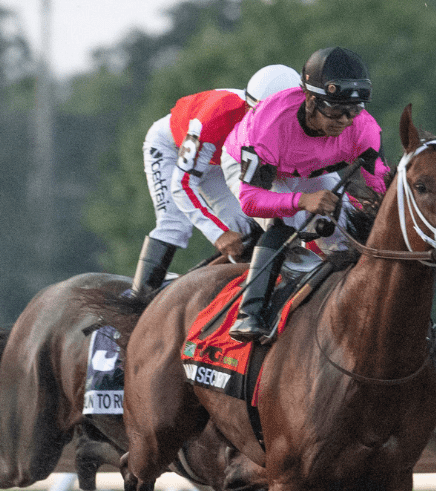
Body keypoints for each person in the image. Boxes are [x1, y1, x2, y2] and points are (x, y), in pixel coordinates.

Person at [223, 46, 391, 343]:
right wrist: (302, 201)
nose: (345, 120)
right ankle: (250, 314)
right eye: (336, 109)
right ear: (311, 99)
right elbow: (251, 201)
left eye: (353, 110)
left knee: (343, 228)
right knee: (283, 223)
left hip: (308, 167)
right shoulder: (268, 126)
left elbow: (380, 186)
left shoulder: (362, 127)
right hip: (256, 168)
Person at [128, 64, 301, 297]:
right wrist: (217, 234)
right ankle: (137, 301)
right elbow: (182, 185)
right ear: (253, 107)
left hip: (220, 160)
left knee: (243, 226)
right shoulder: (215, 117)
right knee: (175, 225)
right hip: (171, 147)